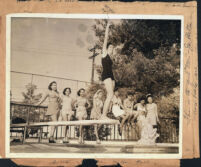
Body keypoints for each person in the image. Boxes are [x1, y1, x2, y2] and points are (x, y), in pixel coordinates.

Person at [100, 20, 115, 120]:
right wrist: (107, 27)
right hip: (106, 75)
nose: (112, 48)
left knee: (111, 96)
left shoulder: (111, 56)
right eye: (110, 47)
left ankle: (105, 114)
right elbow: (105, 39)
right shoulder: (104, 53)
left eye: (113, 48)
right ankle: (103, 115)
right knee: (110, 94)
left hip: (112, 77)